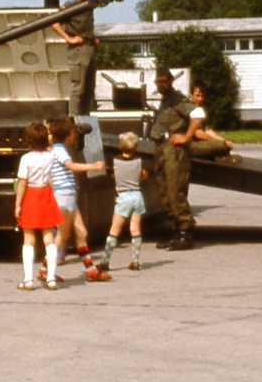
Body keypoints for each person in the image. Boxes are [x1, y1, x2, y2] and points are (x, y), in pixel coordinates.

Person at [44, 117, 110, 282]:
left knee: (81, 232)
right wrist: (93, 166)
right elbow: (71, 166)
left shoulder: (58, 149)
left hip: (69, 197)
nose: (74, 134)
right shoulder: (59, 150)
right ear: (68, 134)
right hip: (65, 196)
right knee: (62, 236)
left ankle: (90, 269)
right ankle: (45, 268)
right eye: (73, 131)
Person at [150, 66, 201, 251]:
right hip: (162, 149)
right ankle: (175, 232)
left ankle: (186, 233)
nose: (161, 84)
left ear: (171, 81)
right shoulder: (165, 101)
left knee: (175, 192)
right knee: (164, 194)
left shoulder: (178, 100)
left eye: (165, 81)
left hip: (174, 151)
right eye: (159, 81)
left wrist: (186, 137)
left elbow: (198, 114)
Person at [14, 122, 65, 290]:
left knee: (28, 238)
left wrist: (18, 205)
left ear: (29, 141)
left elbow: (22, 183)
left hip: (31, 195)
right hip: (46, 194)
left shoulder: (26, 159)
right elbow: (50, 178)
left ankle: (28, 280)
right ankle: (51, 278)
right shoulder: (50, 157)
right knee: (48, 237)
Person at [97, 131, 148, 272]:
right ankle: (135, 260)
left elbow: (114, 176)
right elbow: (143, 175)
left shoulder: (115, 162)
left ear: (120, 147)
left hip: (123, 197)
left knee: (115, 230)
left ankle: (105, 261)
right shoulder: (139, 161)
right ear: (136, 148)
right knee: (135, 229)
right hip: (137, 196)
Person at [52, 0, 97, 116]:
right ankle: (73, 121)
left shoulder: (90, 4)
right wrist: (68, 38)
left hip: (90, 47)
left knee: (89, 89)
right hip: (78, 49)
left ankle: (85, 118)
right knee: (78, 88)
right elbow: (54, 22)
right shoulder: (71, 5)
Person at [188, 80, 234, 158]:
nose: (200, 99)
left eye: (202, 96)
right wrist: (217, 142)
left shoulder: (198, 110)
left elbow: (207, 130)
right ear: (191, 95)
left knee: (224, 145)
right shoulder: (189, 109)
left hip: (197, 143)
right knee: (221, 146)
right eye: (197, 95)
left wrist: (223, 140)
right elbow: (197, 133)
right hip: (189, 145)